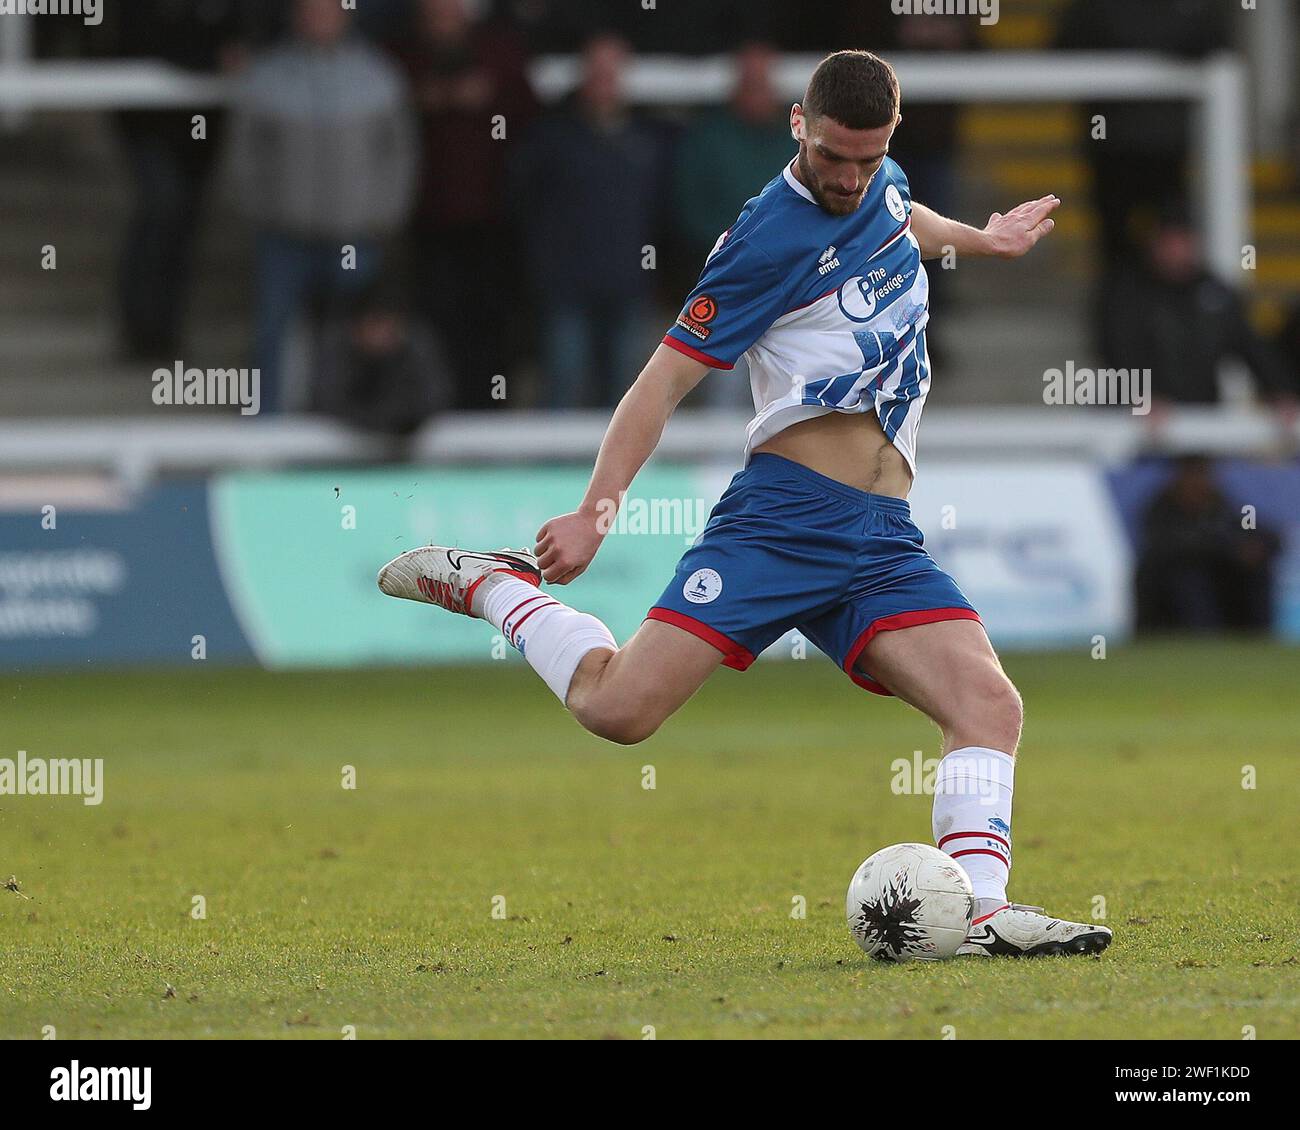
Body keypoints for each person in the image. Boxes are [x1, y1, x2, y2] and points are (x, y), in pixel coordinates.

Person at [378, 51, 1110, 958]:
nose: (849, 178)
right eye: (834, 157)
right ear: (798, 126)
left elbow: (899, 217)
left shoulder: (879, 181)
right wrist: (592, 516)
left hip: (881, 537)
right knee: (619, 711)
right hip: (783, 521)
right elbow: (657, 388)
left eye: (868, 158)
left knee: (989, 706)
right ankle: (494, 588)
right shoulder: (765, 240)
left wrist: (979, 238)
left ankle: (984, 913)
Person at [228, 0, 416, 411]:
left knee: (353, 337)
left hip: (355, 237)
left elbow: (399, 155)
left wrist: (384, 214)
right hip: (284, 236)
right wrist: (261, 210)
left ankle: (347, 420)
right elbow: (244, 155)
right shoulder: (267, 76)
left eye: (327, 9)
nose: (318, 18)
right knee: (272, 334)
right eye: (310, 9)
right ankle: (265, 432)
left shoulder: (377, 75)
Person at [511, 34, 669, 408]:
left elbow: (661, 216)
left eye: (611, 72)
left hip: (630, 288)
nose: (604, 81)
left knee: (628, 399)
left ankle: (623, 470)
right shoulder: (551, 140)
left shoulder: (649, 142)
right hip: (566, 290)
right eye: (596, 72)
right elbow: (523, 205)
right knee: (563, 389)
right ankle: (556, 468)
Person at [1135, 456, 1280, 634]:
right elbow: (1169, 547)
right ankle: (1202, 636)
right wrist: (1231, 550)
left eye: (1204, 474)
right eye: (1194, 474)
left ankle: (1258, 635)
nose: (1200, 482)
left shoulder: (1220, 506)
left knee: (1257, 569)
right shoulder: (1160, 509)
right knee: (1189, 577)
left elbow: (1262, 532)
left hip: (1221, 574)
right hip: (1178, 578)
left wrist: (1256, 546)